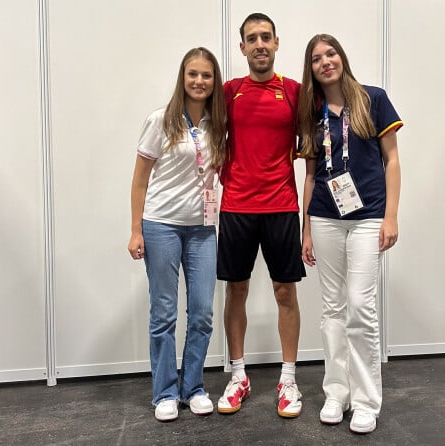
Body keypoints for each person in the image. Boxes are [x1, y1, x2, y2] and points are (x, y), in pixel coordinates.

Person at [298, 34, 403, 434]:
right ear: (310, 68)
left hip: (368, 216)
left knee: (361, 306)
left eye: (331, 53)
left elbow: (392, 160)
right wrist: (305, 228)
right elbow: (309, 175)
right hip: (325, 216)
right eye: (316, 58)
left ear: (342, 57)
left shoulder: (372, 99)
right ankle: (336, 391)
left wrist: (390, 216)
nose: (326, 62)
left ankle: (365, 400)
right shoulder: (311, 111)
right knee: (332, 310)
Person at [127, 47, 226, 422]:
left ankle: (194, 387)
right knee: (164, 313)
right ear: (182, 78)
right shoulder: (161, 120)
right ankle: (165, 392)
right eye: (193, 74)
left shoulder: (219, 125)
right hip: (161, 226)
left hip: (203, 229)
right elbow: (140, 180)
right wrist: (136, 229)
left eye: (206, 75)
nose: (199, 81)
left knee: (201, 312)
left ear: (214, 81)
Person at [216, 13, 306, 418]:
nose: (259, 45)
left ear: (276, 42)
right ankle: (239, 376)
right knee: (236, 291)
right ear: (242, 48)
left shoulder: (294, 92)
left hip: (282, 206)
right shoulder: (228, 91)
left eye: (265, 37)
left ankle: (288, 379)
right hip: (236, 206)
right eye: (251, 39)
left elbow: (316, 140)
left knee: (285, 293)